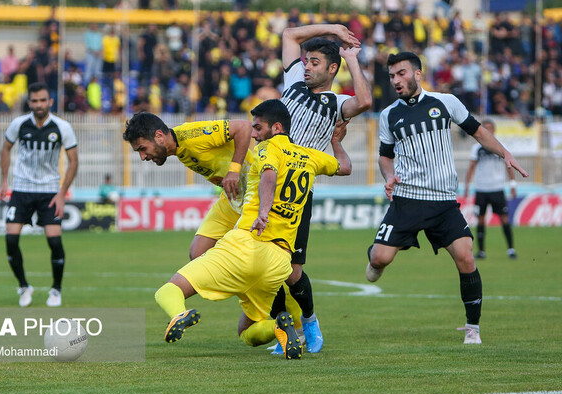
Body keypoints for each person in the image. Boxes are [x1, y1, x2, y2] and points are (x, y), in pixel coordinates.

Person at [150, 100, 352, 358]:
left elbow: (269, 175)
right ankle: (281, 326)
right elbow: (345, 167)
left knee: (168, 290)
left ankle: (179, 313)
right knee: (246, 331)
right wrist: (336, 143)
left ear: (276, 128)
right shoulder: (309, 156)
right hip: (279, 260)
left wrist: (264, 212)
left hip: (246, 245)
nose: (254, 134)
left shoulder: (267, 151)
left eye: (258, 128)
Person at [365, 52, 528, 345]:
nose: (396, 81)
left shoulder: (446, 102)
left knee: (466, 257)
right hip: (408, 199)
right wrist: (388, 176)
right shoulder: (389, 114)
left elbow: (478, 132)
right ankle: (377, 255)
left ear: (417, 74)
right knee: (378, 261)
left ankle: (472, 328)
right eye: (391, 76)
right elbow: (385, 157)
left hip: (443, 201)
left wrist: (506, 153)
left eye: (401, 73)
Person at [270, 24, 370, 354]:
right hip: (266, 183)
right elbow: (288, 35)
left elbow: (365, 100)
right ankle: (285, 332)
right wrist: (336, 29)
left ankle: (310, 322)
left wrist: (351, 59)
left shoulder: (336, 102)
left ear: (331, 69)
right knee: (265, 265)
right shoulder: (293, 82)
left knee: (292, 270)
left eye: (315, 62)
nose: (307, 66)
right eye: (306, 60)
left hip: (297, 194)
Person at [122, 112, 252, 262]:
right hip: (233, 198)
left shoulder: (192, 135)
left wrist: (234, 171)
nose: (142, 157)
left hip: (255, 194)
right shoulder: (179, 149)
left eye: (142, 148)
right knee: (198, 254)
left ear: (159, 136)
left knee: (255, 255)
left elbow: (244, 127)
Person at [0, 82, 79, 308]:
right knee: (11, 239)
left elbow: (74, 162)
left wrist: (62, 193)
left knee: (54, 241)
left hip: (49, 191)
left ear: (50, 102)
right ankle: (24, 286)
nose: (39, 104)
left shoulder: (62, 127)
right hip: (21, 188)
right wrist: (4, 180)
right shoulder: (19, 124)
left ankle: (56, 289)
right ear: (29, 102)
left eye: (43, 100)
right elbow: (5, 148)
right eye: (34, 101)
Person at [464, 119, 517, 260]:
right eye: (485, 128)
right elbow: (471, 167)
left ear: (494, 130)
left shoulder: (501, 146)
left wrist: (512, 184)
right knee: (480, 220)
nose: (488, 130)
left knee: (504, 219)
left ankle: (511, 249)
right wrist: (467, 186)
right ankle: (481, 251)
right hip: (481, 188)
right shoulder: (476, 148)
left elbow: (509, 165)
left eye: (490, 128)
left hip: (497, 188)